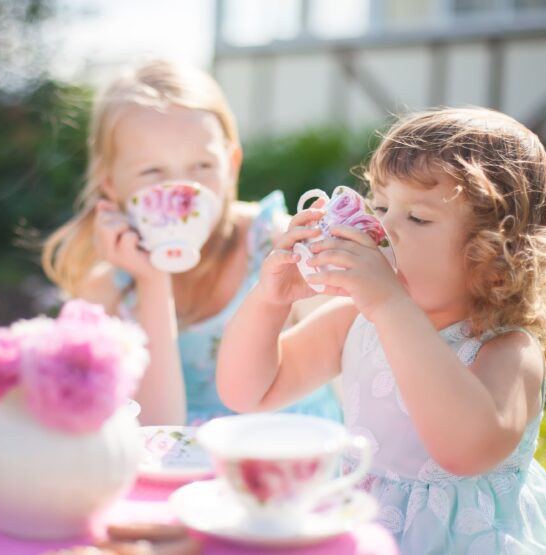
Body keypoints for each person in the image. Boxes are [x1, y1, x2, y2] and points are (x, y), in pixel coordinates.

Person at [216, 107, 546, 553]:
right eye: (380, 206)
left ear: (496, 254)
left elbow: (464, 451)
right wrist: (268, 300)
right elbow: (248, 392)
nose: (383, 228)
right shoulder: (354, 319)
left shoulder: (508, 350)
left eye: (417, 218)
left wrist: (391, 306)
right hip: (363, 530)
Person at [42, 59, 342, 426]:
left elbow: (352, 371)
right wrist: (153, 282)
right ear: (110, 183)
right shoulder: (108, 290)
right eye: (153, 171)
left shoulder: (282, 250)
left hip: (290, 462)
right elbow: (155, 432)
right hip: (178, 474)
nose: (184, 190)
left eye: (202, 166)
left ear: (231, 164)